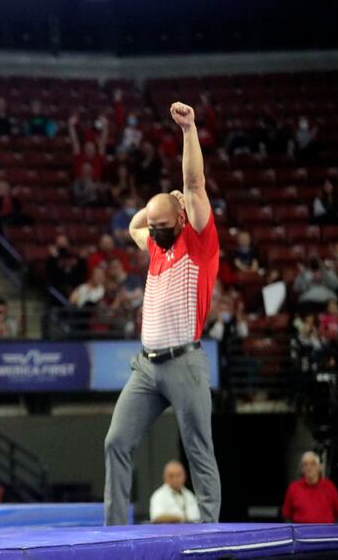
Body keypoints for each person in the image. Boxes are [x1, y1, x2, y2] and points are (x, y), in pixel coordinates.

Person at [104, 102, 221, 526]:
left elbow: (194, 182)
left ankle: (210, 532)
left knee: (198, 449)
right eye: (155, 226)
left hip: (184, 362)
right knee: (115, 441)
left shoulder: (199, 241)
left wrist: (188, 130)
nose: (155, 231)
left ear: (183, 216)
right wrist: (155, 209)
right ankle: (113, 532)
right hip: (146, 368)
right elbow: (135, 227)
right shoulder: (155, 245)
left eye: (163, 224)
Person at [282, 451, 338, 524]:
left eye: (313, 464)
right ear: (302, 469)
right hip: (301, 533)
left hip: (326, 533)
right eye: (305, 465)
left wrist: (334, 532)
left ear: (319, 467)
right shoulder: (293, 488)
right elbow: (286, 516)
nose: (309, 468)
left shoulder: (329, 486)